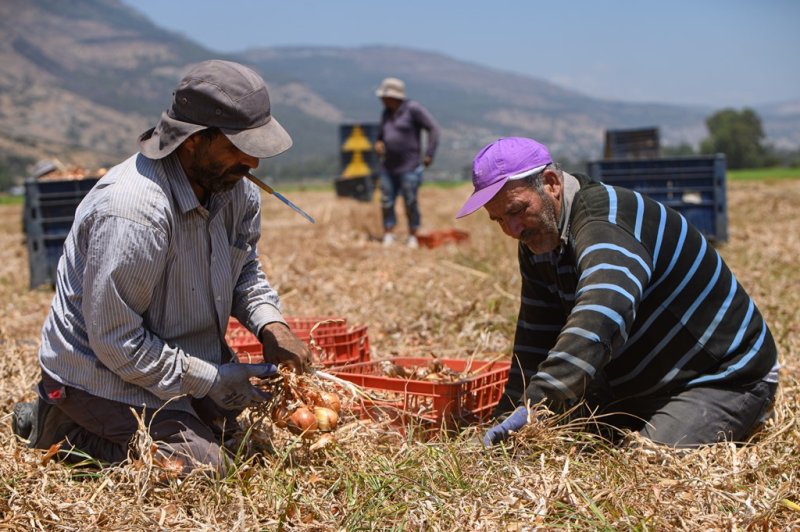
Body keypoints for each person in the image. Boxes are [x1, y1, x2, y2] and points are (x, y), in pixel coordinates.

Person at [11, 59, 312, 474]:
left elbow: (244, 272)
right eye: (238, 147)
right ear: (193, 141)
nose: (253, 164)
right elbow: (117, 341)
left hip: (174, 358)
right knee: (201, 469)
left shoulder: (235, 191)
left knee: (237, 442)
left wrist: (271, 326)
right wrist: (207, 380)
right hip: (102, 374)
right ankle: (61, 426)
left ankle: (182, 414)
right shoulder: (134, 211)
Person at [455, 137, 779, 448]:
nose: (512, 230)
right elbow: (535, 337)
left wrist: (538, 402)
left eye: (516, 210)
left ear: (552, 183)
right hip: (634, 388)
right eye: (498, 219)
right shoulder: (539, 239)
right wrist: (509, 413)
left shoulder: (606, 219)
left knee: (649, 464)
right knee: (561, 450)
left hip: (718, 379)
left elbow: (602, 314)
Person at [374, 77, 440, 248]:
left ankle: (413, 234)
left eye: (384, 96)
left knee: (410, 201)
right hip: (388, 166)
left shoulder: (413, 109)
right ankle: (388, 233)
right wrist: (379, 143)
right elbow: (381, 135)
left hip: (409, 166)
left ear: (393, 97)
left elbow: (433, 128)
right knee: (386, 201)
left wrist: (429, 153)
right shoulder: (386, 113)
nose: (381, 100)